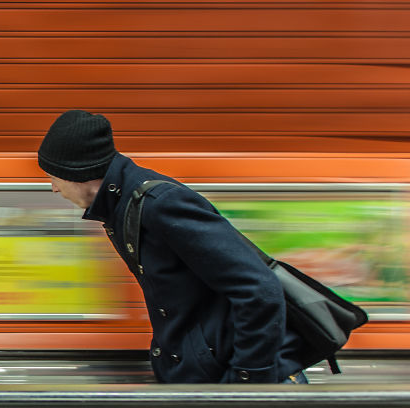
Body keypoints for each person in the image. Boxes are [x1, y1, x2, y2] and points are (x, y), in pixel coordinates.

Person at [38, 110, 308, 384]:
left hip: (240, 382)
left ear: (78, 173)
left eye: (54, 177)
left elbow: (260, 289)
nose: (54, 189)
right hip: (206, 375)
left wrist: (247, 382)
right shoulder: (119, 206)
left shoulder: (160, 204)